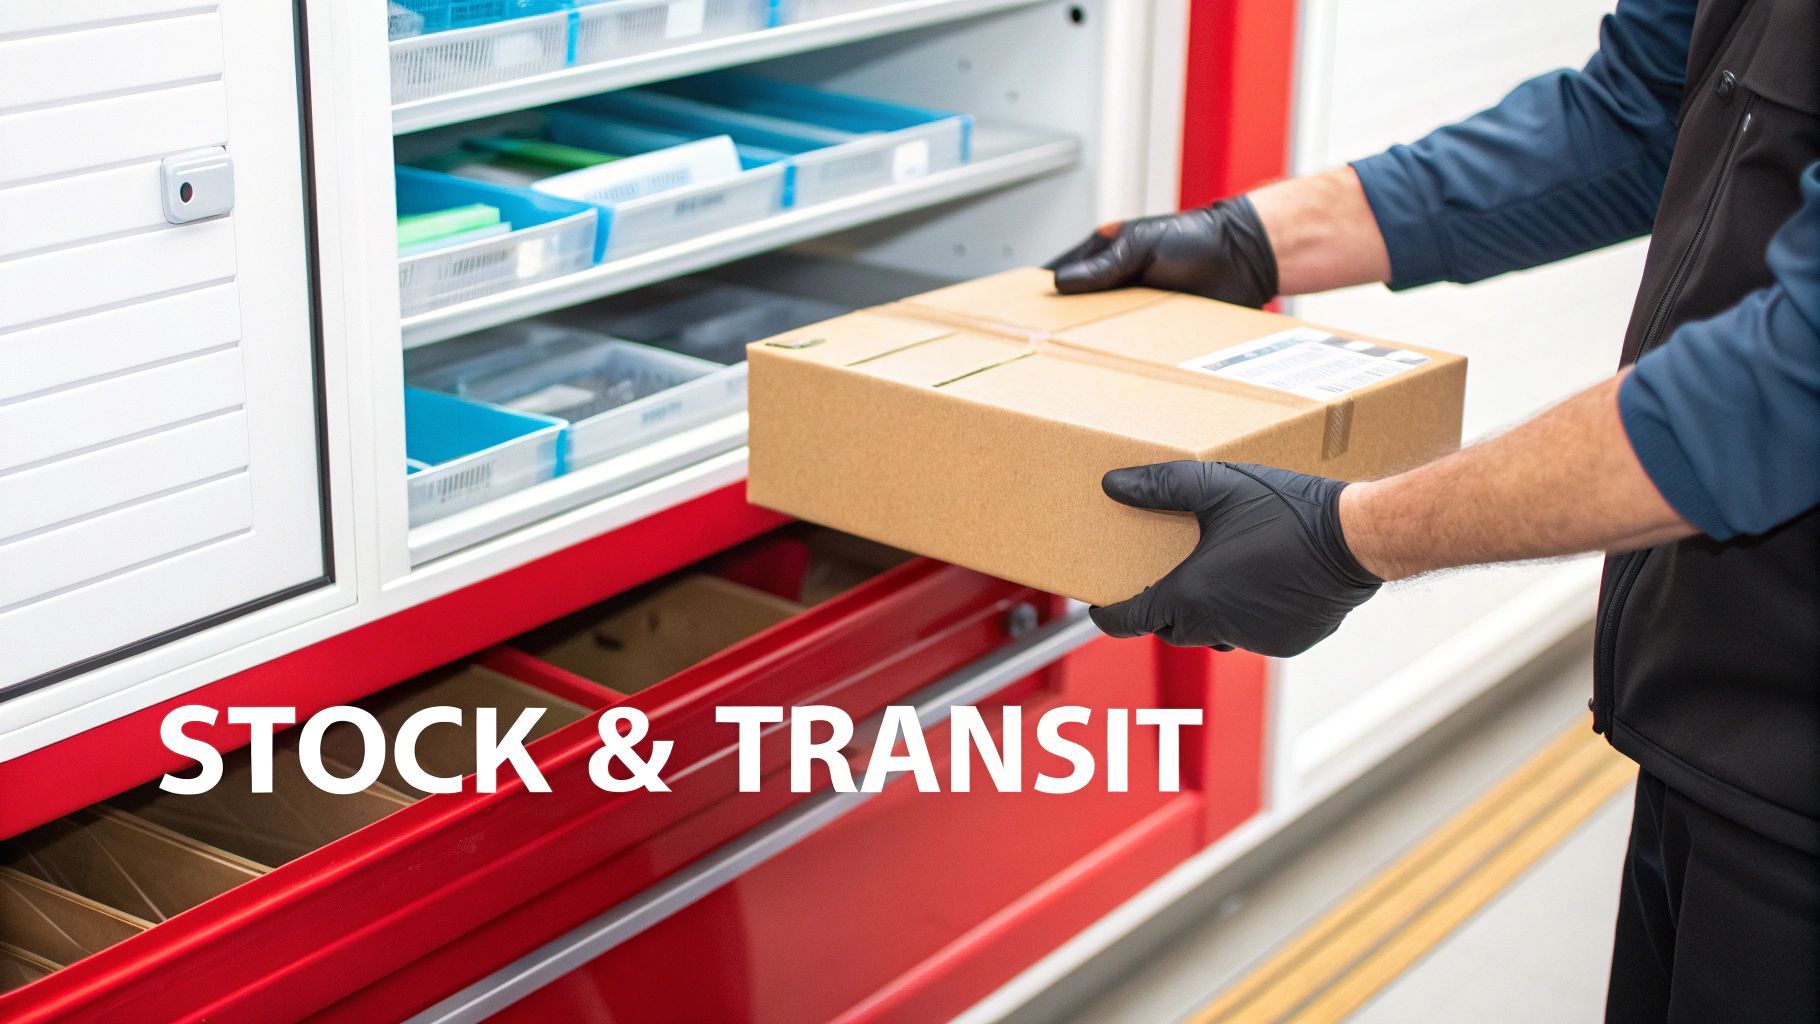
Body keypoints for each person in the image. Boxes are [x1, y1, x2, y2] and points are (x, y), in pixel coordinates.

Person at [1050, 0, 1819, 1019]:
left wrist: (1343, 538)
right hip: (1709, 720)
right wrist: (1253, 240)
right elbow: (1639, 113)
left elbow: (1786, 383)